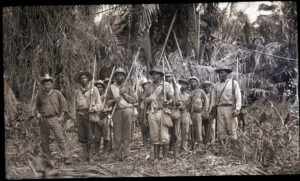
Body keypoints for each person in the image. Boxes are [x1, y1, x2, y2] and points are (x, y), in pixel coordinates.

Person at [35, 74, 71, 165]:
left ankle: (66, 156)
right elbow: (36, 106)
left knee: (60, 137)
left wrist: (61, 116)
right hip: (43, 119)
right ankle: (47, 157)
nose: (47, 86)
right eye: (45, 84)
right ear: (43, 85)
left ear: (52, 84)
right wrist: (37, 113)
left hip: (54, 118)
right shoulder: (40, 94)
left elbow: (64, 105)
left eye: (49, 84)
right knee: (44, 139)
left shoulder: (57, 93)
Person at [106, 67, 137, 161]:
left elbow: (134, 100)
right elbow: (106, 101)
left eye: (121, 75)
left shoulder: (128, 87)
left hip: (127, 110)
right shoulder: (111, 87)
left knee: (127, 133)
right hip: (117, 111)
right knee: (117, 134)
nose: (120, 77)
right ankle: (117, 155)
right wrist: (113, 101)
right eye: (118, 75)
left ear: (124, 76)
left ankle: (127, 154)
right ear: (115, 76)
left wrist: (124, 95)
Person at [145, 66, 174, 161]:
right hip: (152, 112)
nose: (155, 76)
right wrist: (150, 99)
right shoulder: (148, 86)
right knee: (154, 135)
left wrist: (168, 102)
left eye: (157, 74)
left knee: (164, 135)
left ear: (161, 76)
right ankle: (157, 157)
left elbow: (172, 99)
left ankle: (165, 157)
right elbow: (145, 100)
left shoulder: (166, 85)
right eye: (154, 74)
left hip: (163, 111)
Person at [72, 71, 102, 162]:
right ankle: (85, 155)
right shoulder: (77, 91)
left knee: (90, 136)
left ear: (88, 79)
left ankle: (91, 156)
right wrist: (74, 117)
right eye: (81, 78)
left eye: (85, 78)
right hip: (80, 115)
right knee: (82, 136)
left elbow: (99, 103)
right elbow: (74, 105)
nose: (83, 80)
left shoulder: (94, 89)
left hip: (90, 114)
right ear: (79, 80)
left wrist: (95, 107)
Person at [211, 67, 242, 143]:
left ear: (227, 74)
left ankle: (233, 148)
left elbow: (238, 96)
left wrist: (237, 108)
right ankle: (223, 148)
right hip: (219, 108)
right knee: (221, 130)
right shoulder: (216, 85)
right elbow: (213, 99)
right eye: (220, 73)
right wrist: (212, 110)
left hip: (230, 108)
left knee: (232, 129)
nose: (221, 74)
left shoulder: (233, 83)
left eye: (223, 73)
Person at [186, 76, 209, 150]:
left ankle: (199, 145)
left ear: (197, 83)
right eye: (191, 82)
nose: (193, 83)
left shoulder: (200, 91)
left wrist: (205, 109)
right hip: (189, 113)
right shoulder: (188, 91)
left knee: (198, 129)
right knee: (190, 130)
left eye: (194, 82)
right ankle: (191, 144)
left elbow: (206, 100)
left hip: (198, 113)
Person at [165, 71, 181, 158]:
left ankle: (175, 150)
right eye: (166, 76)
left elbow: (180, 100)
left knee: (176, 133)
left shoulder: (178, 87)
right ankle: (168, 149)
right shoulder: (164, 87)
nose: (168, 78)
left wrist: (178, 102)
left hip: (176, 112)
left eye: (170, 76)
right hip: (168, 112)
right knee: (167, 132)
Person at [94, 80, 112, 156]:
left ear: (103, 88)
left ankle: (105, 151)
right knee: (97, 136)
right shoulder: (93, 97)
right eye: (97, 87)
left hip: (105, 118)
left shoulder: (106, 97)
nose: (99, 89)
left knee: (106, 136)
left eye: (100, 87)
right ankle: (96, 151)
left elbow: (111, 108)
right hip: (96, 118)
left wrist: (106, 109)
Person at [137, 79, 151, 151]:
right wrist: (138, 115)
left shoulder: (151, 93)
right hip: (142, 111)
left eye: (146, 84)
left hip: (150, 111)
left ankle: (151, 145)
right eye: (144, 85)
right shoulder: (140, 94)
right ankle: (145, 145)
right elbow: (138, 104)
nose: (145, 86)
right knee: (143, 129)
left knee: (151, 129)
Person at [178, 79, 192, 151]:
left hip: (186, 114)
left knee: (185, 131)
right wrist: (180, 106)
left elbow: (190, 107)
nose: (183, 86)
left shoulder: (188, 96)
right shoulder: (176, 94)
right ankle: (175, 147)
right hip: (177, 114)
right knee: (176, 132)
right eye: (181, 84)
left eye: (185, 84)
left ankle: (184, 147)